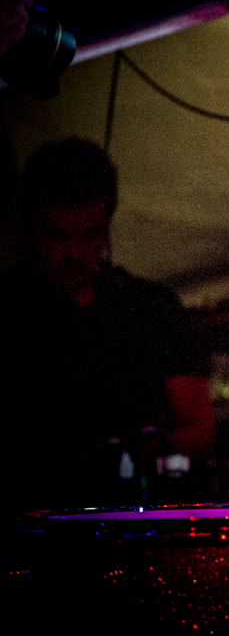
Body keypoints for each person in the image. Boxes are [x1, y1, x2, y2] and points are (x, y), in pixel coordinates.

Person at [2, 138, 214, 515]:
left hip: (136, 517)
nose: (74, 253)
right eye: (57, 236)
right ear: (31, 226)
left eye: (90, 235)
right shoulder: (7, 308)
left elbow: (198, 428)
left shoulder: (151, 308)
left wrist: (142, 454)